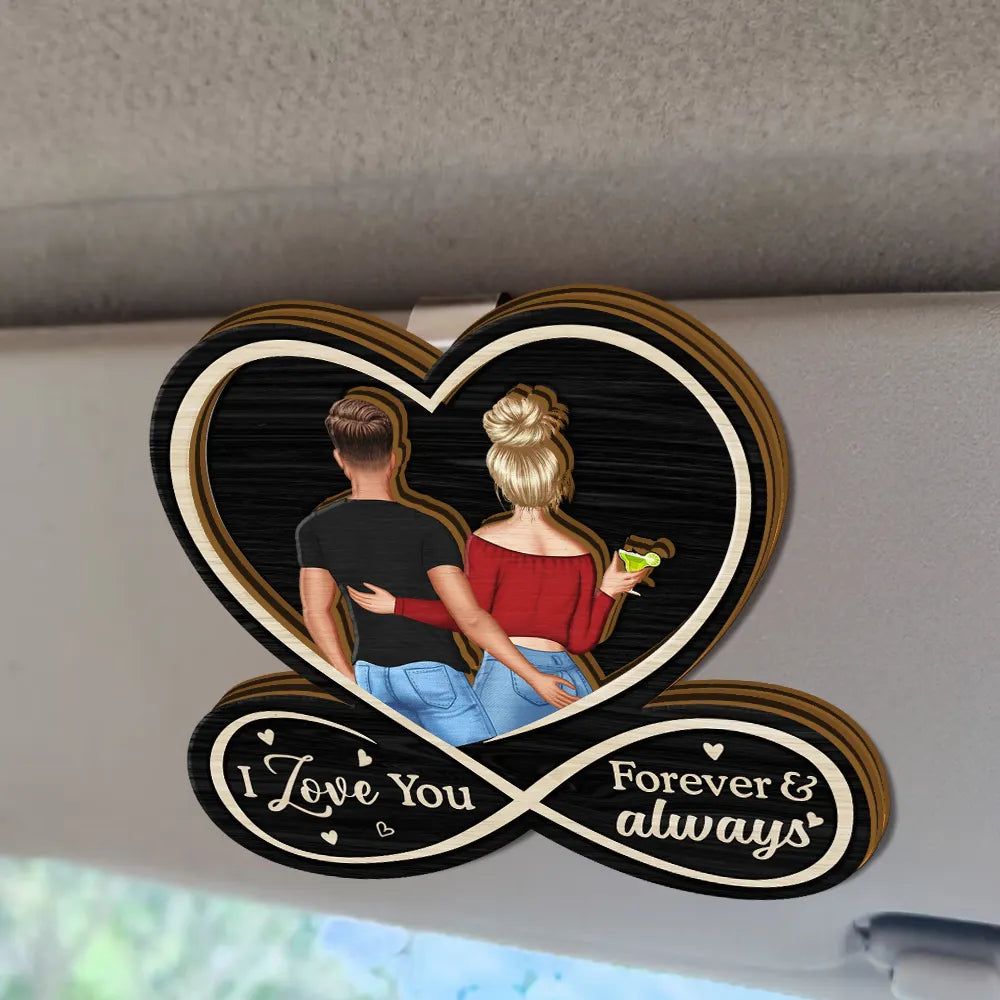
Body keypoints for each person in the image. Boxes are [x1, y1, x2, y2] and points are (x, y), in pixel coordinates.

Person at [349, 386, 648, 736]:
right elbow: (581, 642)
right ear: (557, 478)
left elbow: (467, 617)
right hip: (568, 678)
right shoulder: (579, 552)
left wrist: (398, 606)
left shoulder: (487, 542)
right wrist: (609, 590)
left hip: (509, 675)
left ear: (501, 480)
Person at [296, 394, 580, 747]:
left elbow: (316, 611)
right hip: (431, 676)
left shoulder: (315, 529)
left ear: (339, 458)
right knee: (479, 766)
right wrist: (534, 677)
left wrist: (346, 677)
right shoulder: (428, 529)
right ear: (396, 457)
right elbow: (470, 618)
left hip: (370, 675)